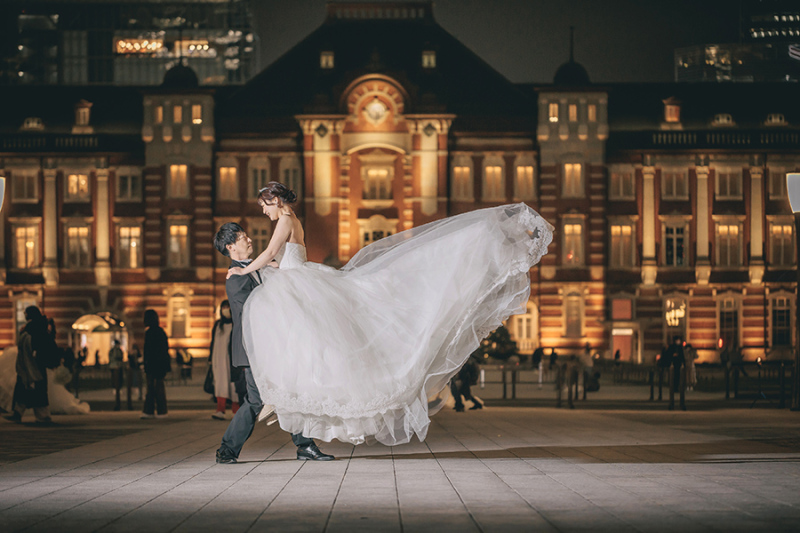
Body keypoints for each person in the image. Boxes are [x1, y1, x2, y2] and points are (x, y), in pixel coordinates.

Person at [227, 182, 553, 446]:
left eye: (264, 205)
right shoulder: (292, 221)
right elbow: (282, 258)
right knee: (320, 347)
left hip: (299, 285)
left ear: (276, 201)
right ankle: (308, 426)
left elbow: (272, 251)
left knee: (319, 347)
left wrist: (243, 271)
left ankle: (310, 421)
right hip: (299, 280)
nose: (264, 211)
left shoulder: (285, 220)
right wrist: (271, 266)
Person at [214, 221, 332, 463]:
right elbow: (253, 311)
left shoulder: (256, 268)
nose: (248, 240)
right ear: (230, 247)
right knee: (256, 400)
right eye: (242, 237)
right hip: (253, 349)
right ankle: (227, 450)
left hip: (270, 347)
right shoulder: (235, 278)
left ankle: (304, 445)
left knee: (285, 391)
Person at [4, 306, 52, 424]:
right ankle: (19, 412)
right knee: (25, 389)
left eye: (26, 313)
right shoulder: (38, 326)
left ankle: (42, 415)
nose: (25, 315)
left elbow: (34, 347)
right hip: (29, 365)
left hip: (32, 365)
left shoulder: (34, 328)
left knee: (34, 390)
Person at [210, 300, 239, 420]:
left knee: (233, 386)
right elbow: (213, 343)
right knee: (220, 385)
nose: (225, 310)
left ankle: (235, 410)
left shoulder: (235, 324)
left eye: (228, 307)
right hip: (218, 359)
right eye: (223, 307)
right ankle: (220, 410)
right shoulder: (218, 325)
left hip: (231, 360)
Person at [141, 309, 170, 419]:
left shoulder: (149, 333)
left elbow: (147, 351)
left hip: (152, 364)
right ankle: (162, 411)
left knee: (151, 389)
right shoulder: (161, 332)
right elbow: (165, 349)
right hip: (160, 364)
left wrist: (146, 364)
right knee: (159, 387)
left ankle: (149, 410)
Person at [108, 340, 124, 411]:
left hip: (117, 367)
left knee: (118, 380)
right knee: (115, 380)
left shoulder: (118, 350)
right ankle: (115, 388)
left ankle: (118, 388)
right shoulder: (113, 351)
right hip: (114, 367)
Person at [126, 343, 143, 408]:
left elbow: (140, 362)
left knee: (139, 383)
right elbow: (130, 362)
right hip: (133, 370)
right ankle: (135, 395)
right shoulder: (131, 356)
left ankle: (140, 395)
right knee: (134, 383)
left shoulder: (138, 355)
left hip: (137, 369)